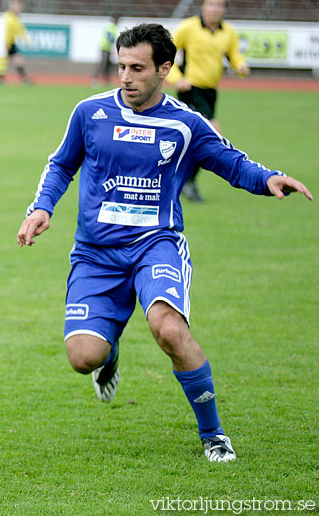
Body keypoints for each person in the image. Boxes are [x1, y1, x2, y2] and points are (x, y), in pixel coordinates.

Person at [17, 23, 312, 463]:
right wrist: (41, 208)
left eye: (137, 68)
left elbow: (228, 160)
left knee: (169, 330)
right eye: (121, 66)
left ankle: (213, 434)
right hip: (96, 253)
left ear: (165, 69)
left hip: (156, 245)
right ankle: (109, 348)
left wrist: (266, 177)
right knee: (83, 357)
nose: (126, 76)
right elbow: (62, 165)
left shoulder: (185, 124)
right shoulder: (90, 113)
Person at [167, 0, 250, 202]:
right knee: (212, 134)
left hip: (211, 93)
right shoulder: (188, 28)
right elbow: (168, 52)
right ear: (203, 5)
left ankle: (180, 178)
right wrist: (177, 78)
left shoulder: (228, 32)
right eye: (210, 3)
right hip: (190, 91)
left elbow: (234, 55)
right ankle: (188, 181)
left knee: (194, 140)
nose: (214, 8)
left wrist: (241, 66)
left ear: (224, 8)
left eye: (219, 4)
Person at [0, 0, 31, 85]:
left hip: (11, 42)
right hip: (5, 43)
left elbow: (21, 31)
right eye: (18, 7)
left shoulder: (16, 18)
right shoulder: (7, 17)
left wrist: (27, 41)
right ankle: (0, 79)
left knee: (18, 60)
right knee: (4, 61)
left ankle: (23, 79)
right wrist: (6, 43)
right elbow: (4, 31)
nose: (19, 9)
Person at [92, 15, 119, 86]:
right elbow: (110, 37)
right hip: (105, 48)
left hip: (107, 48)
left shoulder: (110, 26)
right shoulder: (111, 27)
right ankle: (95, 79)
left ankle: (107, 80)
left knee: (108, 64)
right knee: (103, 64)